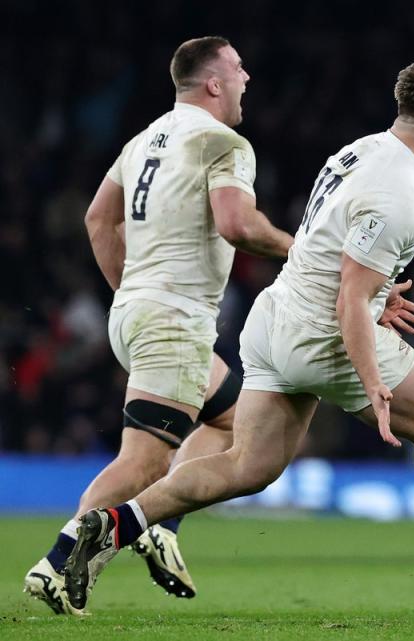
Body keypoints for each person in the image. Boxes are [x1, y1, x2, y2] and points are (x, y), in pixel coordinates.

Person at [63, 55, 414, 621]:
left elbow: (325, 250)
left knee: (249, 465)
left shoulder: (358, 151)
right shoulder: (399, 193)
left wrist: (376, 295)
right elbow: (349, 298)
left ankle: (112, 524)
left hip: (273, 319)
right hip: (324, 333)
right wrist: (373, 381)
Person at [24, 36, 295, 616]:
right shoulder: (225, 143)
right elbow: (238, 225)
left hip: (137, 313)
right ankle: (57, 559)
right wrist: (303, 253)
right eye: (239, 69)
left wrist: (130, 291)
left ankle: (161, 526)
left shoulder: (144, 138)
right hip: (172, 321)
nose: (247, 77)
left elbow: (99, 218)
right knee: (144, 461)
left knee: (232, 418)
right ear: (214, 84)